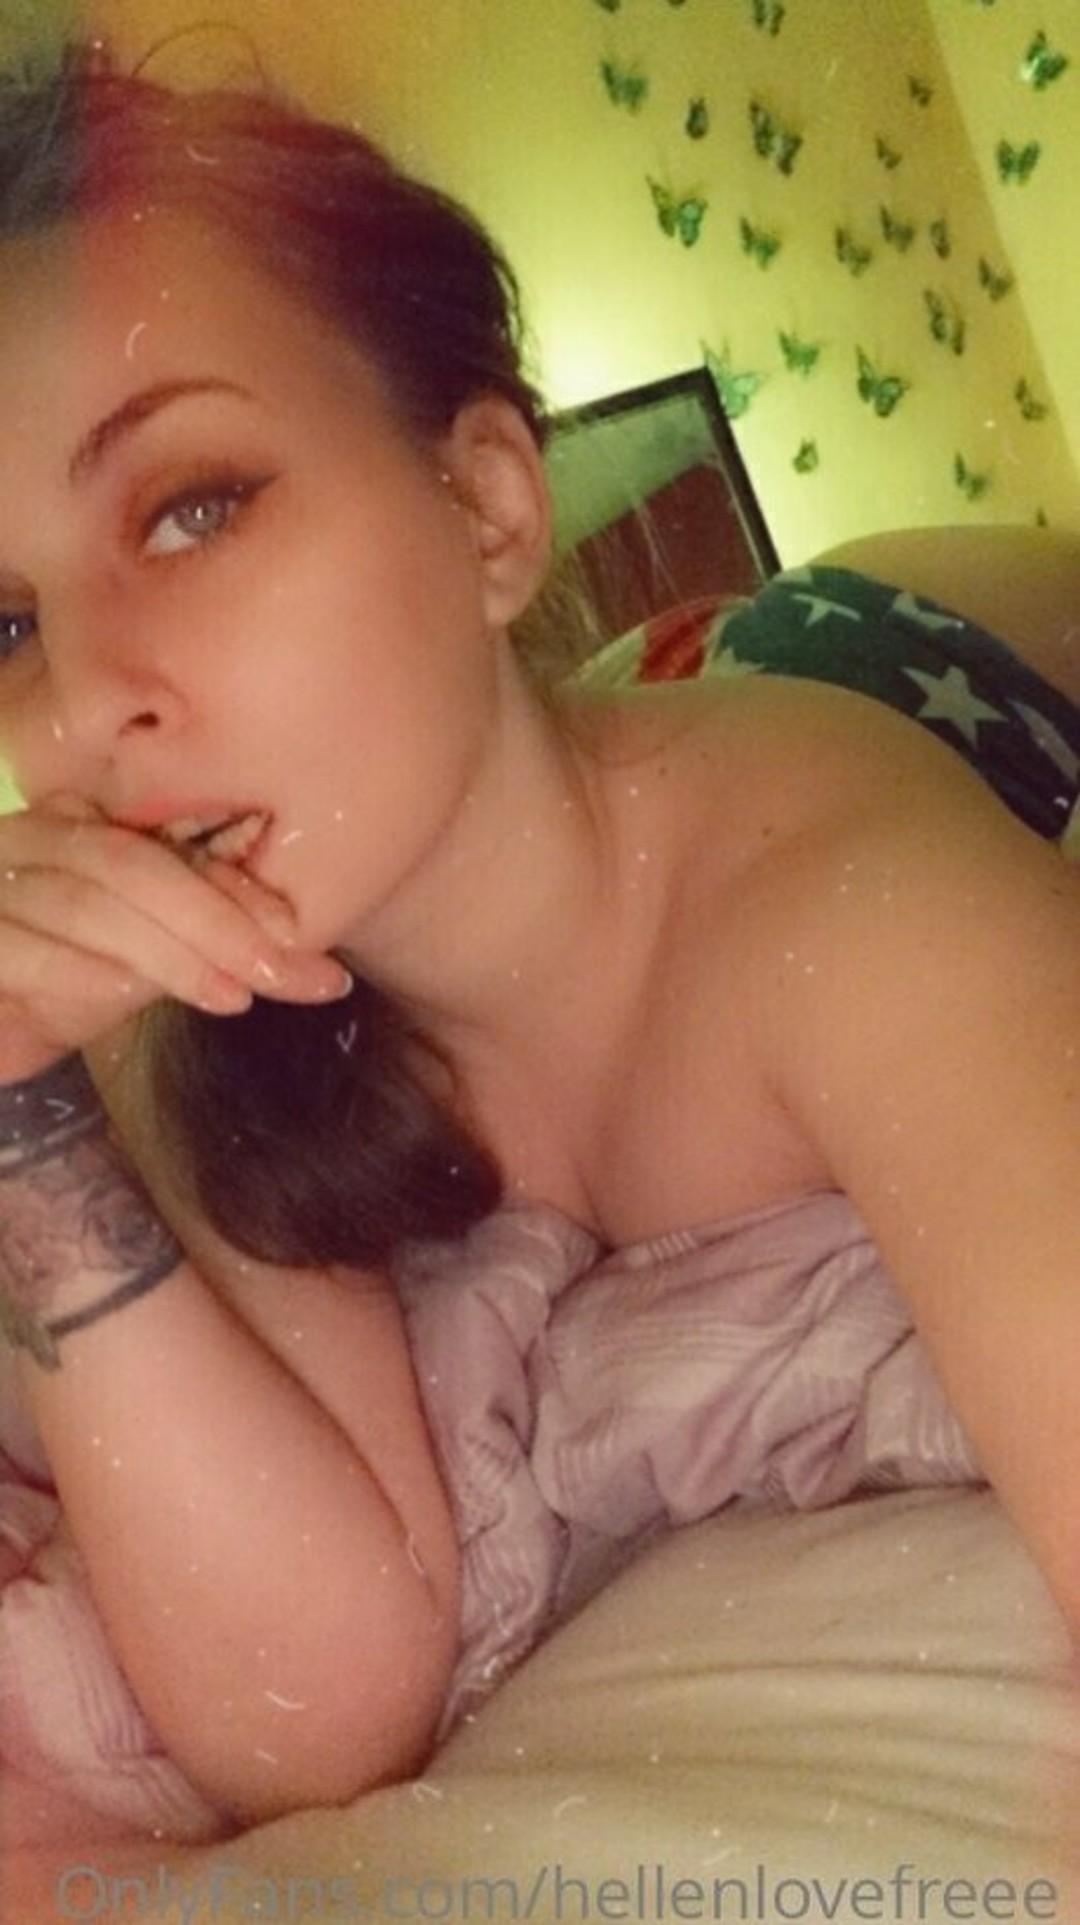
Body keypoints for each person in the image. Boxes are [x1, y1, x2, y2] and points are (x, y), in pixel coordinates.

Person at [0, 34, 1077, 1836]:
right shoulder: (199, 1008)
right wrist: (23, 1097)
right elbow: (312, 1715)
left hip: (937, 646)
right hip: (605, 706)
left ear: (491, 505)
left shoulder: (846, 899)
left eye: (191, 507)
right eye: (5, 622)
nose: (86, 703)